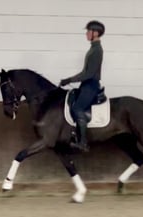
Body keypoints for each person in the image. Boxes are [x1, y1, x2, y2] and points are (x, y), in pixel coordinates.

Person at [59, 20, 105, 152]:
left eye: (88, 31)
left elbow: (88, 73)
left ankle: (83, 142)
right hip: (86, 84)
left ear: (95, 33)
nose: (86, 33)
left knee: (77, 108)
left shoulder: (97, 50)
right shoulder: (93, 48)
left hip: (91, 84)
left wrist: (69, 80)